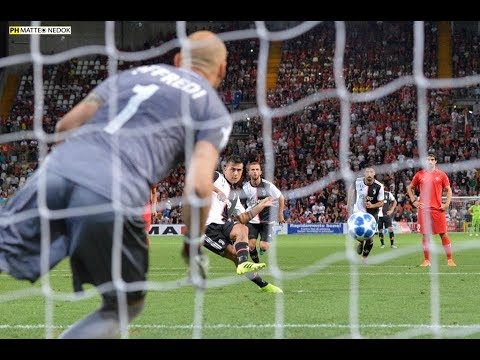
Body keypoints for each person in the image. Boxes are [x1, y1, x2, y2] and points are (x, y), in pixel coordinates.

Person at [0, 30, 232, 338]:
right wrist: (192, 247)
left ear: (177, 60)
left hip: (54, 174)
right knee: (124, 304)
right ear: (221, 70)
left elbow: (64, 126)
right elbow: (199, 188)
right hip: (112, 191)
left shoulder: (133, 75)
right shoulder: (213, 110)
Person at [206, 155, 283, 293]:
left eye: (239, 170)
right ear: (225, 169)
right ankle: (262, 284)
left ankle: (248, 268)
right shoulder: (217, 177)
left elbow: (244, 217)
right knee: (235, 255)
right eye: (232, 169)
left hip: (223, 223)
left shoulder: (235, 195)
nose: (236, 173)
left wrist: (260, 206)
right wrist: (218, 191)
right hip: (204, 228)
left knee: (242, 228)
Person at [406, 152, 456, 267]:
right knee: (426, 235)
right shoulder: (419, 174)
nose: (430, 161)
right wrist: (414, 201)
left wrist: (447, 204)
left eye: (432, 159)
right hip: (423, 210)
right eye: (428, 159)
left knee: (443, 234)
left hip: (438, 209)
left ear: (435, 161)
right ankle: (427, 260)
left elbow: (449, 190)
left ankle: (450, 260)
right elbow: (410, 188)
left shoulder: (442, 175)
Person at [240, 160, 285, 263]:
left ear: (260, 172)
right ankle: (256, 263)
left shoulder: (268, 185)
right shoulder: (245, 187)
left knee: (263, 246)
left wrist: (280, 214)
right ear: (249, 172)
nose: (255, 172)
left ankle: (263, 248)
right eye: (253, 170)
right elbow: (242, 204)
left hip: (267, 220)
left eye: (257, 170)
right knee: (251, 245)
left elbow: (281, 197)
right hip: (252, 220)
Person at [347, 166, 385, 263]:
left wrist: (372, 205)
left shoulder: (379, 186)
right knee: (358, 232)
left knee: (370, 238)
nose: (369, 174)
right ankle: (360, 242)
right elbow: (351, 192)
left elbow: (381, 202)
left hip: (372, 213)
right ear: (364, 173)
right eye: (367, 172)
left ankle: (364, 258)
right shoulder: (357, 181)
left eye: (371, 172)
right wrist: (349, 205)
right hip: (359, 212)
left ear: (374, 174)